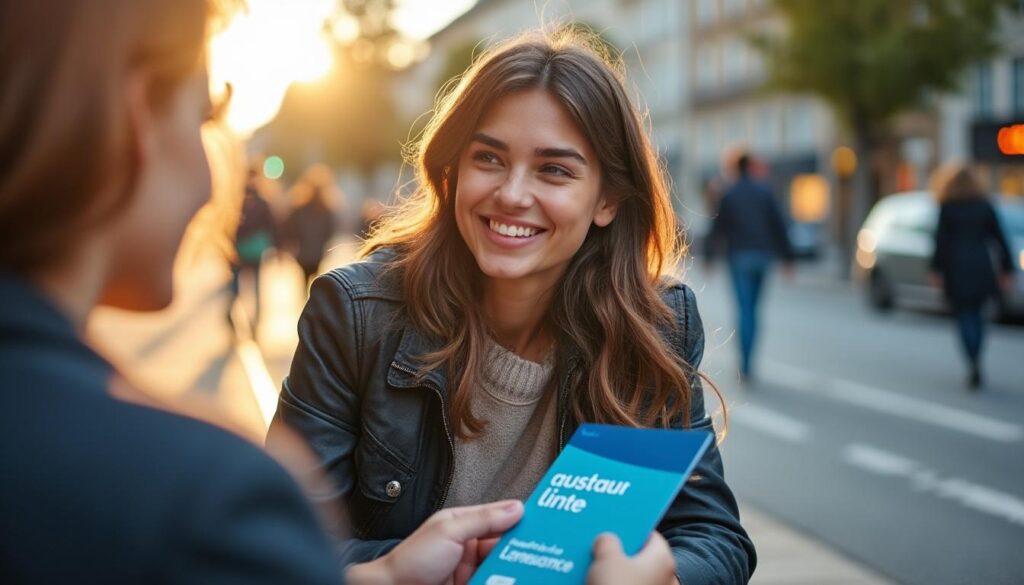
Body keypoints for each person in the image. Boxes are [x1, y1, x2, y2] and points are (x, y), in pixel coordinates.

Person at [0, 2, 564, 583]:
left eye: (555, 170)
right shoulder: (201, 502)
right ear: (137, 116)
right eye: (204, 117)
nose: (208, 179)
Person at [268, 32, 756, 584]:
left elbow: (713, 537)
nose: (512, 194)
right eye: (489, 158)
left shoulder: (654, 326)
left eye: (554, 170)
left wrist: (662, 576)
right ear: (453, 171)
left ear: (607, 200)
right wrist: (393, 569)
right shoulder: (355, 315)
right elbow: (275, 546)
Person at [705, 151, 794, 382]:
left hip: (739, 257)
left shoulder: (729, 194)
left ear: (735, 168)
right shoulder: (764, 192)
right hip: (762, 257)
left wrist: (708, 257)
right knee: (754, 310)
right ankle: (749, 360)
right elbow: (779, 225)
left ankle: (745, 364)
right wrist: (788, 258)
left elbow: (717, 228)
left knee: (744, 310)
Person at [928, 162, 1013, 390]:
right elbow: (1000, 238)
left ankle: (972, 360)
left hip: (956, 267)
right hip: (981, 266)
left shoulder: (948, 207)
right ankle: (977, 357)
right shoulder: (984, 205)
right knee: (977, 314)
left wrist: (936, 269)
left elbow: (940, 242)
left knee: (964, 315)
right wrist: (1007, 268)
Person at [228, 166, 279, 330]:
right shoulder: (263, 201)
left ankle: (233, 314)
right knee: (255, 287)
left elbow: (227, 226)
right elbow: (271, 225)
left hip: (237, 250)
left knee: (236, 287)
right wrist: (275, 248)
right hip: (255, 251)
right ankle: (255, 320)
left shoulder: (234, 200)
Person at [285, 164, 339, 285]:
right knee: (315, 277)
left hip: (303, 250)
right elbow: (330, 230)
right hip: (317, 250)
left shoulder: (299, 207)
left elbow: (291, 226)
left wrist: (294, 241)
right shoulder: (326, 209)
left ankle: (306, 300)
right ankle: (313, 299)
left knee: (304, 278)